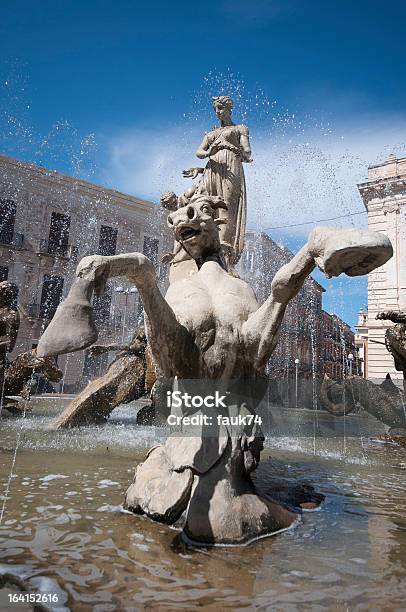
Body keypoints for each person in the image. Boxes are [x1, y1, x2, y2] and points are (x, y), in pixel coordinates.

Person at [183, 95, 252, 264]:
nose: (217, 112)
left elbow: (248, 151)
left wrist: (235, 149)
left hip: (231, 166)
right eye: (215, 109)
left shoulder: (240, 129)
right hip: (212, 168)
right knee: (205, 203)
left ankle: (225, 248)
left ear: (229, 109)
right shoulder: (211, 133)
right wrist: (209, 151)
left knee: (227, 205)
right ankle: (205, 242)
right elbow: (199, 152)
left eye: (221, 108)